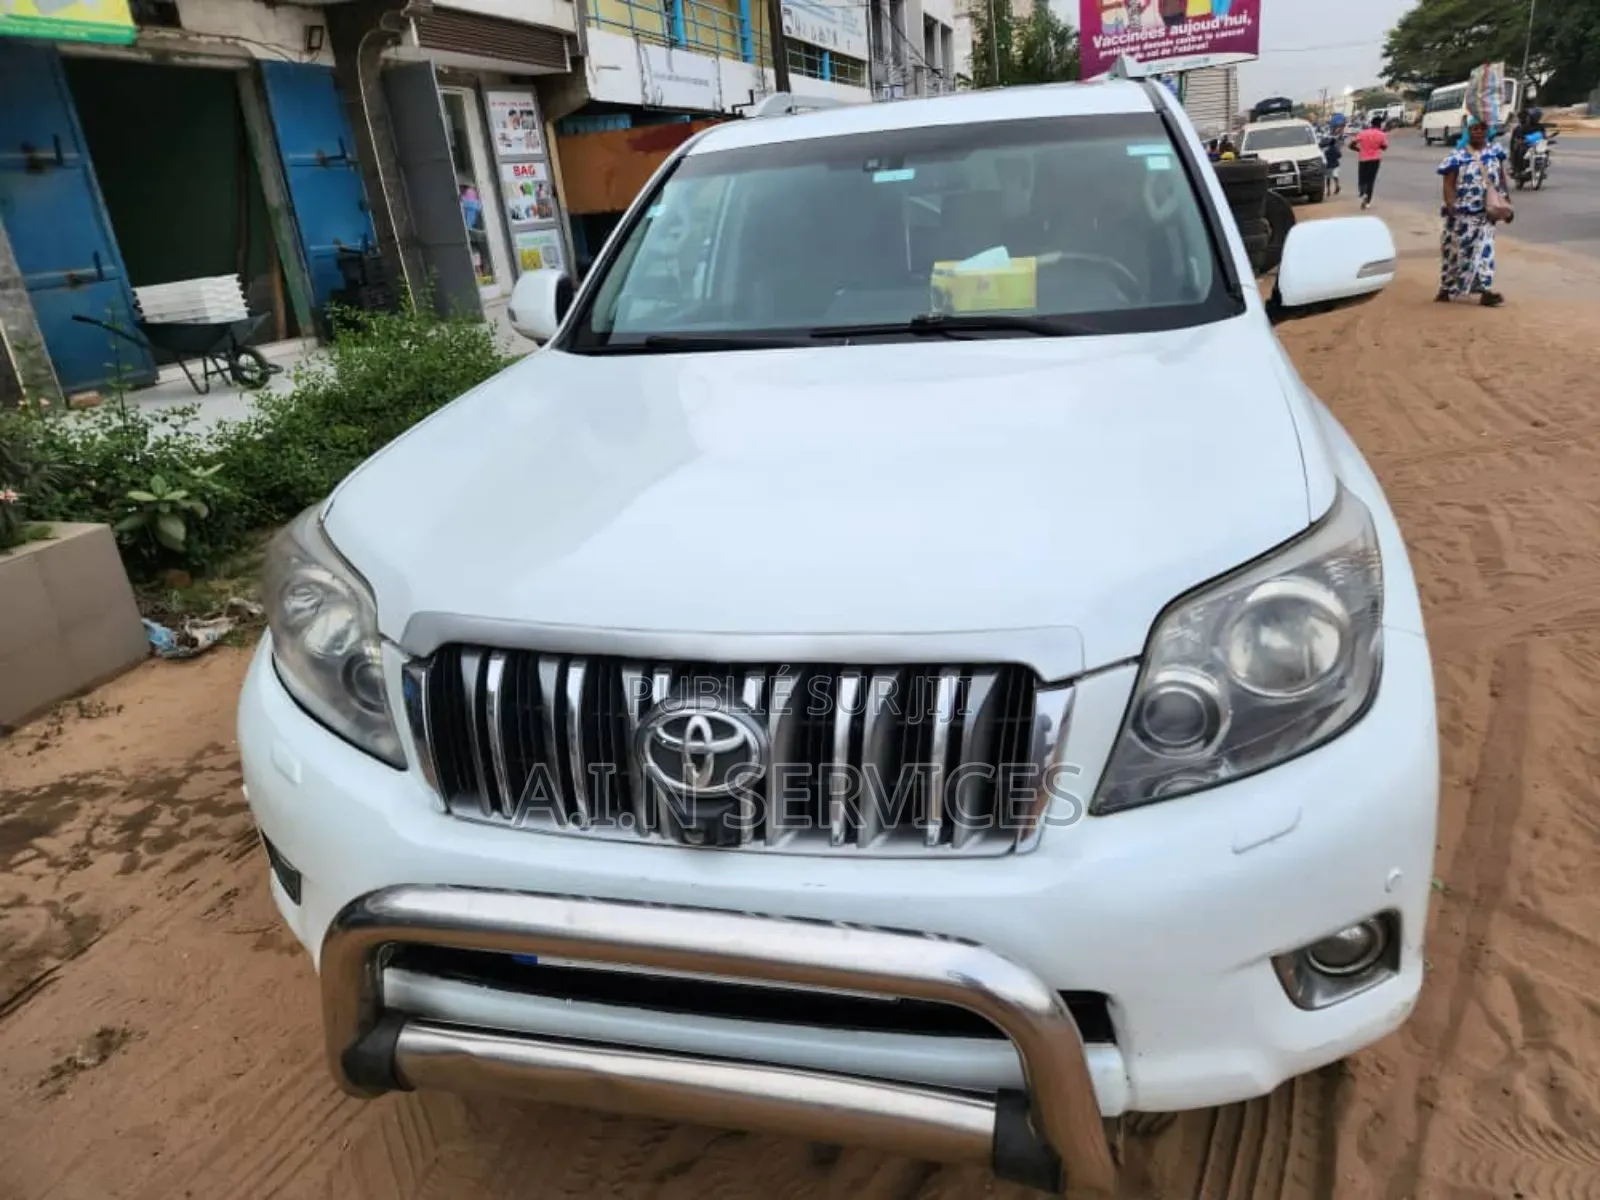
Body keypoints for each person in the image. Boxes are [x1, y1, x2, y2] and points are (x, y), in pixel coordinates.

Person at [1437, 117, 1512, 307]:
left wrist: (1506, 203)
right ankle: (1446, 288)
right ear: (1467, 132)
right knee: (1455, 252)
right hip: (1462, 214)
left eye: (1482, 128)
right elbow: (1448, 183)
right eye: (1474, 129)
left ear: (1488, 131)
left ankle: (1485, 291)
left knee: (1484, 251)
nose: (1478, 132)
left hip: (1486, 213)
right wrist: (1451, 205)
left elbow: (1501, 179)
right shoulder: (1456, 156)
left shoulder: (1495, 153)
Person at [1350, 113, 1389, 209]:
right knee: (1371, 180)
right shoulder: (1381, 135)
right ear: (1380, 124)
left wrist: (1359, 150)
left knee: (1362, 178)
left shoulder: (1363, 133)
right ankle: (1367, 200)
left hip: (1363, 159)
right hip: (1375, 160)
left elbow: (1351, 145)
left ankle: (1362, 192)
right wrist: (1377, 145)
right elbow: (1384, 147)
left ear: (1371, 124)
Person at [1321, 127, 1344, 195]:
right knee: (1335, 176)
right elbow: (1339, 156)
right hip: (1336, 164)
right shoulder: (1336, 149)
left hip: (1328, 166)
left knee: (1328, 178)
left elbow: (1324, 158)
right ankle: (1337, 185)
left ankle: (1328, 190)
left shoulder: (1326, 150)